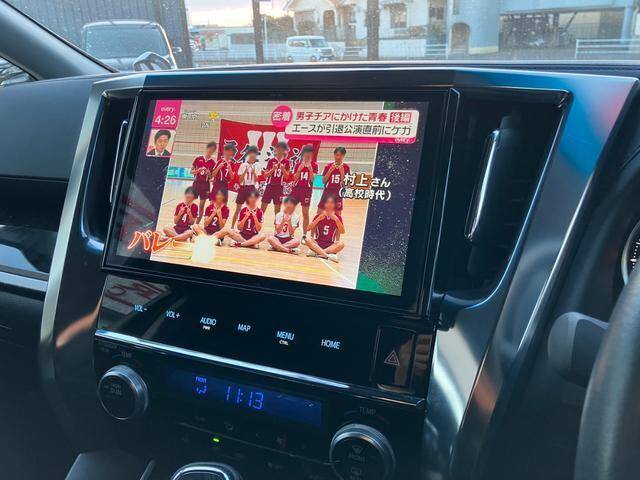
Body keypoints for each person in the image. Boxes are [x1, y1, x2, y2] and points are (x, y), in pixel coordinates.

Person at [305, 194, 345, 263]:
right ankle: (327, 255)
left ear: (334, 205)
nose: (329, 204)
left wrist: (337, 220)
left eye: (331, 203)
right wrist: (318, 219)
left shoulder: (337, 217)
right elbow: (308, 228)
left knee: (341, 244)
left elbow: (342, 231)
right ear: (324, 204)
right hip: (317, 243)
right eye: (327, 202)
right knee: (307, 239)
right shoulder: (319, 216)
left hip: (330, 245)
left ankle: (318, 253)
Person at [292, 145, 318, 241]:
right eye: (306, 152)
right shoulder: (298, 164)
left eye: (309, 153)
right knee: (290, 211)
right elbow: (294, 179)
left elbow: (312, 179)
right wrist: (299, 169)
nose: (307, 155)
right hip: (296, 189)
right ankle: (290, 233)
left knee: (305, 213)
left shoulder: (314, 165)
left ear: (312, 154)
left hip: (306, 191)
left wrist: (310, 169)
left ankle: (304, 235)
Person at [232, 145, 262, 228]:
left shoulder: (257, 166)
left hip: (252, 188)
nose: (253, 155)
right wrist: (245, 171)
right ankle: (232, 226)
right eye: (251, 153)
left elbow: (256, 180)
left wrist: (254, 172)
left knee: (250, 209)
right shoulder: (243, 165)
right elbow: (240, 180)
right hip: (243, 187)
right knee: (238, 209)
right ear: (248, 154)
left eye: (254, 154)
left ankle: (249, 227)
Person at [318, 146, 350, 214]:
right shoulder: (328, 166)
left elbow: (346, 185)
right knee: (319, 212)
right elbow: (323, 181)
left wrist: (342, 173)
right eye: (337, 155)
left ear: (343, 156)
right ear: (334, 155)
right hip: (327, 191)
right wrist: (329, 171)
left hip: (338, 192)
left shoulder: (346, 167)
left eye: (340, 155)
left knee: (338, 214)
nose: (338, 157)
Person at [261, 141, 290, 214]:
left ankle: (277, 222)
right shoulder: (271, 161)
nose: (280, 151)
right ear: (276, 150)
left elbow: (287, 177)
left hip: (279, 187)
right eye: (278, 149)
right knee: (262, 208)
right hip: (269, 186)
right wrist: (272, 169)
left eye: (282, 150)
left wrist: (283, 169)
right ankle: (259, 220)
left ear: (285, 151)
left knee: (277, 210)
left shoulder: (287, 162)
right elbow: (265, 175)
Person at [191, 141, 217, 222]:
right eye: (210, 148)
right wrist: (198, 170)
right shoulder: (198, 159)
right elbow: (191, 171)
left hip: (205, 185)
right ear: (207, 148)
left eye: (213, 150)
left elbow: (212, 177)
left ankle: (197, 223)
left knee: (201, 205)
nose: (211, 151)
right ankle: (189, 221)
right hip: (196, 183)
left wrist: (209, 174)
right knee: (190, 202)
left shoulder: (212, 162)